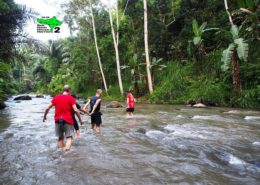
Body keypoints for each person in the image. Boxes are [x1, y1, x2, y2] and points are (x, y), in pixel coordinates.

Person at [43, 85, 84, 151]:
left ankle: (60, 155)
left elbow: (47, 108)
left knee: (60, 138)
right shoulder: (71, 98)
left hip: (57, 120)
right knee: (69, 138)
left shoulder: (56, 97)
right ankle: (66, 153)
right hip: (68, 121)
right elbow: (76, 110)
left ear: (63, 90)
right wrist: (80, 120)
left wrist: (44, 116)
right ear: (69, 90)